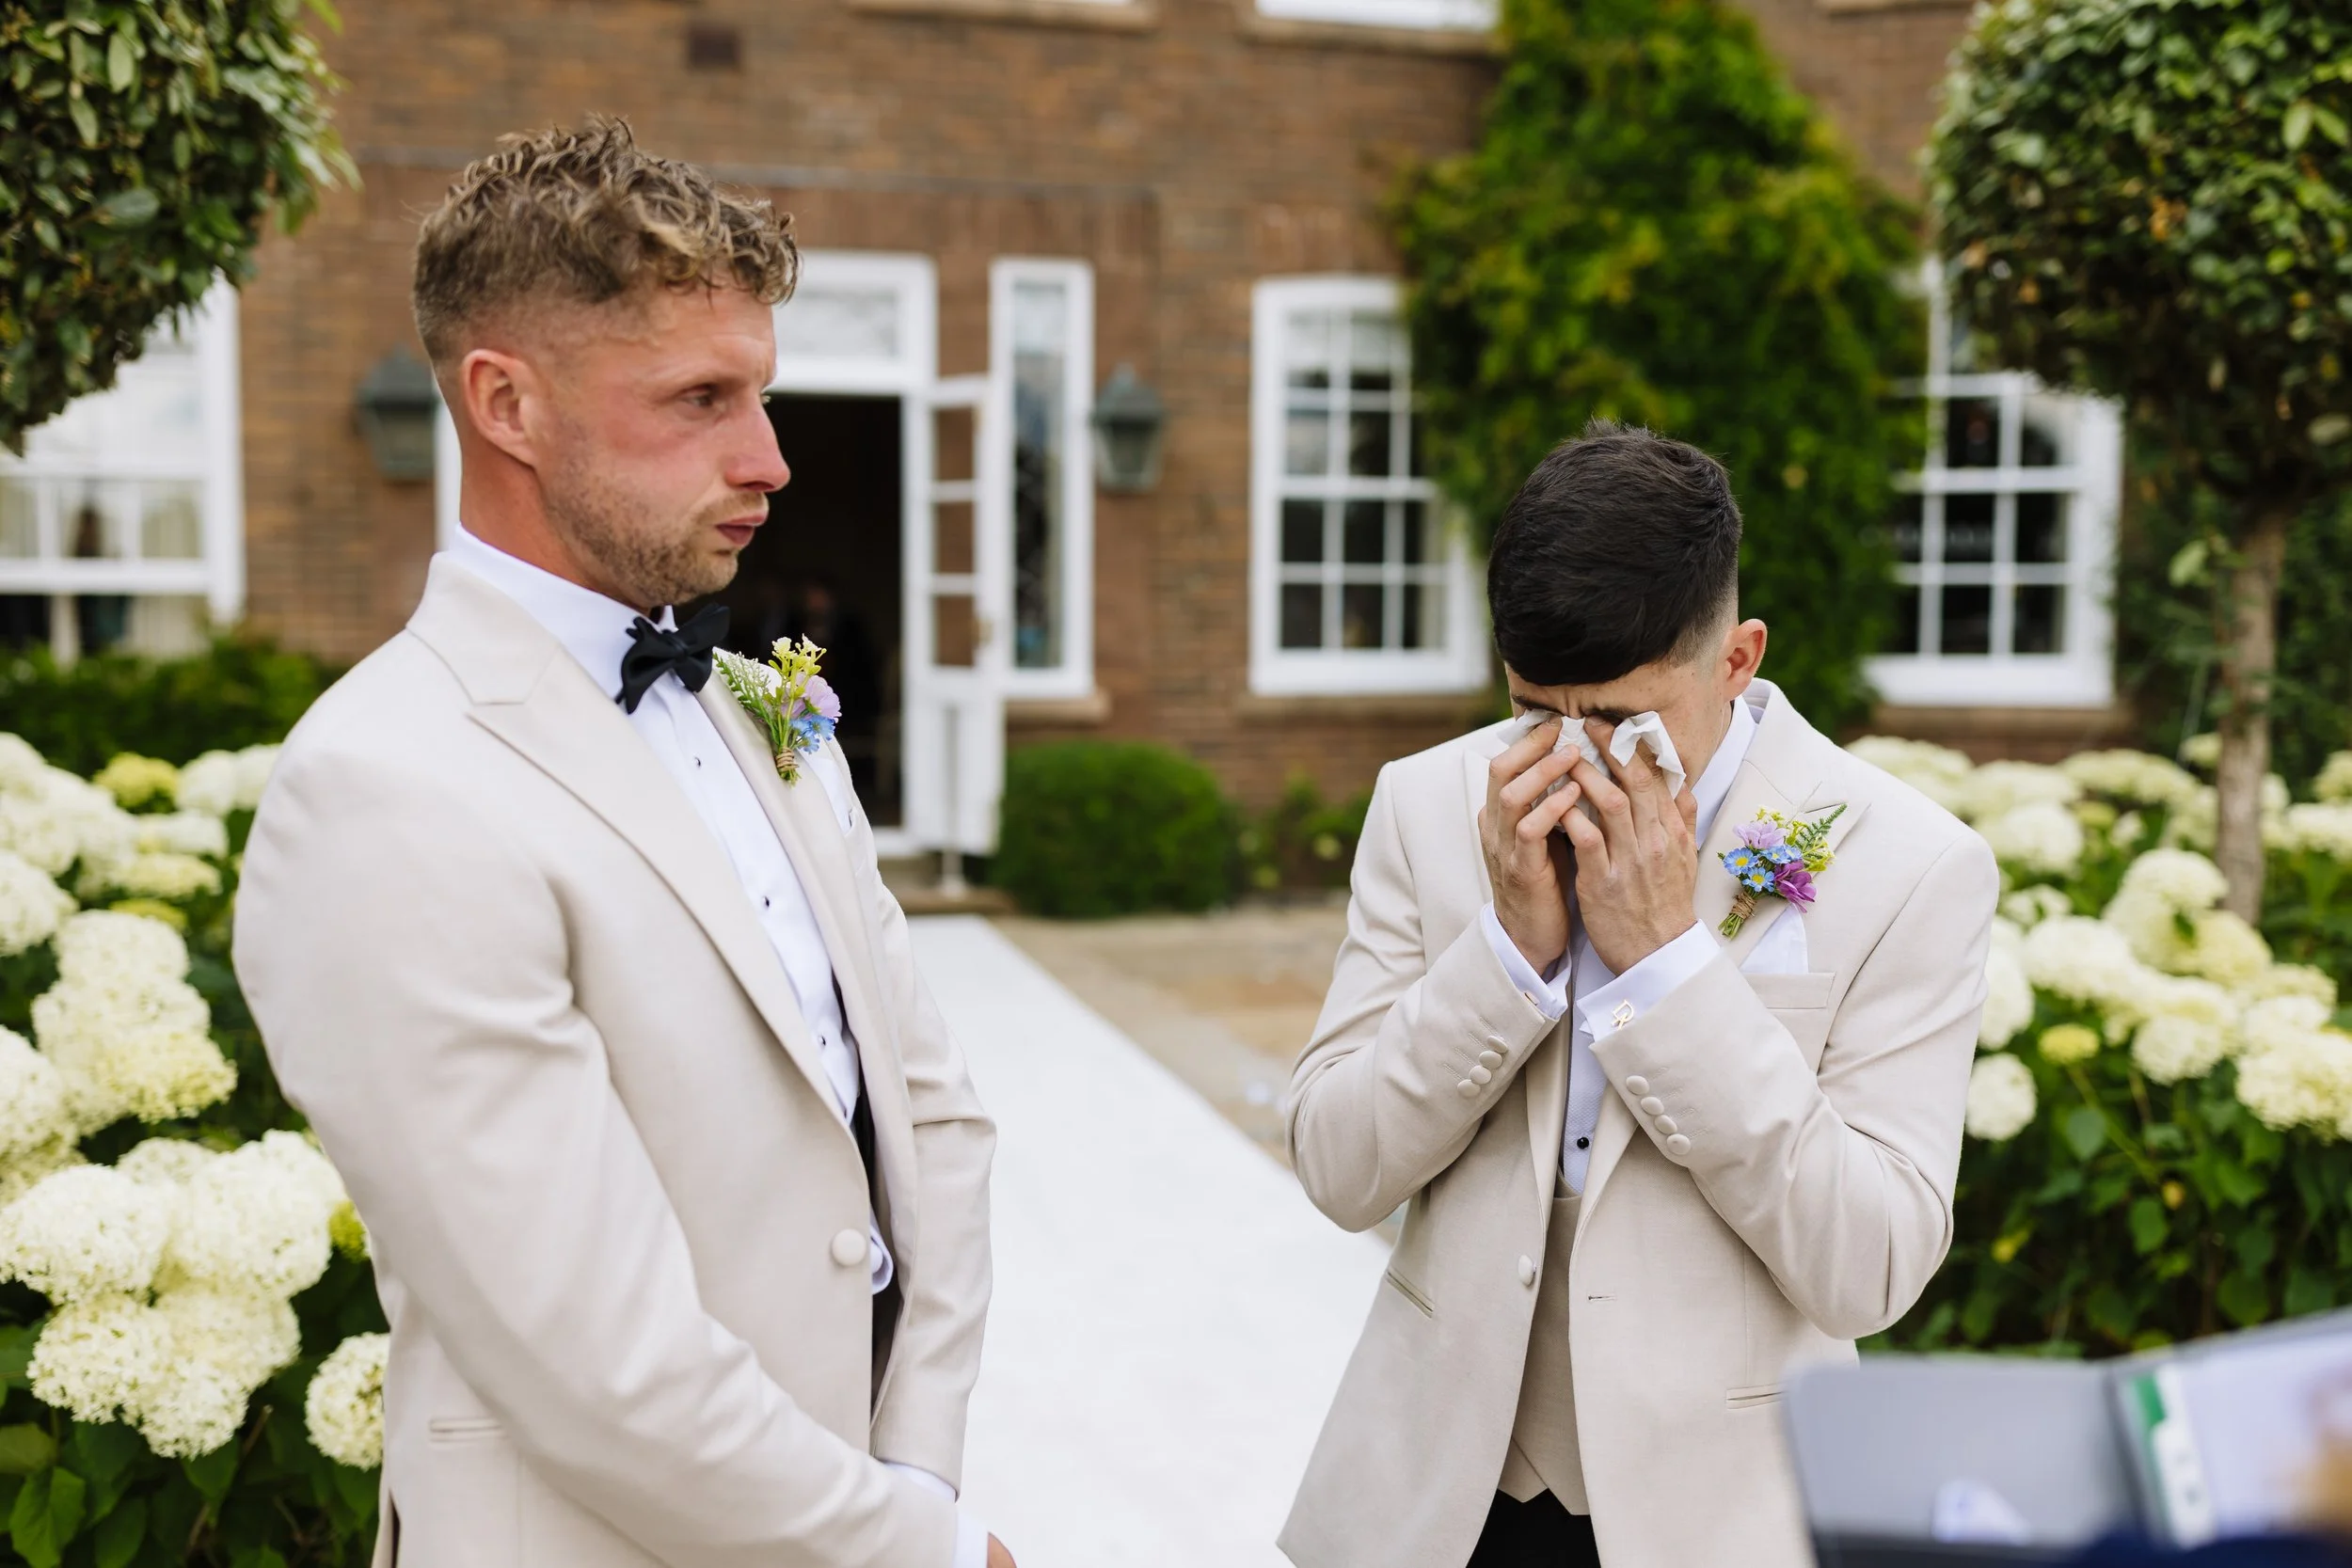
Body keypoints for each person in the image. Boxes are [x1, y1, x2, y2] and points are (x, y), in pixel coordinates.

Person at [232, 119, 1007, 1568]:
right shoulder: (380, 786)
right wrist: (917, 1548)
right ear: (506, 402)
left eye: (760, 391)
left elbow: (931, 1117)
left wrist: (918, 1477)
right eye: (701, 396)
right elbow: (589, 1352)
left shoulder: (759, 710)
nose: (769, 457)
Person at [1278, 422, 2000, 1568]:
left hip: (1719, 1521)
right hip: (1437, 1501)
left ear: (1737, 657)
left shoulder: (1908, 863)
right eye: (1532, 708)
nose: (1571, 756)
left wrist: (1670, 968)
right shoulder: (1425, 805)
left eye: (1616, 719)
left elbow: (1869, 1265)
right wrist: (1507, 956)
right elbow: (1336, 1164)